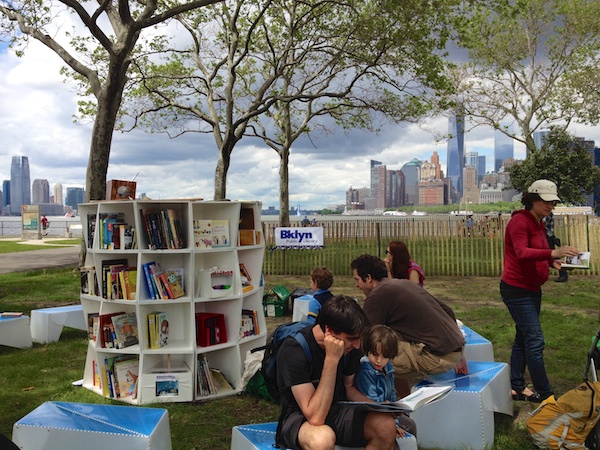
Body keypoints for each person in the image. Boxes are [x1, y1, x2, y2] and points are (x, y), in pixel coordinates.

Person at [276, 295, 397, 450]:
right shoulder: (294, 350)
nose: (357, 345)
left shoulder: (352, 347)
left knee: (385, 425)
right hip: (299, 417)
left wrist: (381, 407)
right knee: (322, 440)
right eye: (351, 338)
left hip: (338, 409)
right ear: (329, 331)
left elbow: (349, 388)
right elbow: (314, 417)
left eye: (359, 338)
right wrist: (331, 360)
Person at [501, 179, 580, 403]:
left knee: (523, 338)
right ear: (532, 200)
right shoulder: (520, 222)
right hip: (517, 289)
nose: (550, 206)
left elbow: (538, 252)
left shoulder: (538, 222)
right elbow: (522, 252)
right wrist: (554, 254)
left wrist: (549, 262)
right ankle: (546, 395)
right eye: (545, 201)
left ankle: (517, 386)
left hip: (531, 288)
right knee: (535, 340)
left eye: (553, 202)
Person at [350, 254, 467, 398]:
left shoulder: (376, 296)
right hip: (456, 348)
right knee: (388, 342)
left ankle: (379, 402)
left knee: (373, 356)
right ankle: (403, 397)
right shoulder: (404, 284)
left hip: (438, 357)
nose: (356, 285)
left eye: (357, 280)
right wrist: (459, 351)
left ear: (368, 278)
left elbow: (365, 338)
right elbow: (447, 311)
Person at [354, 324, 417, 438]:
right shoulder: (366, 370)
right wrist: (394, 424)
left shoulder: (388, 367)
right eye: (375, 354)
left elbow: (392, 394)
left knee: (410, 425)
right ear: (368, 350)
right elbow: (373, 402)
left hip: (386, 412)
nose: (379, 360)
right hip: (371, 415)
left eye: (384, 356)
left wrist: (396, 414)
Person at [542, 211, 569, 282]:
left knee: (553, 256)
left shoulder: (547, 213)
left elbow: (542, 223)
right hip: (545, 237)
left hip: (548, 237)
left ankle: (563, 275)